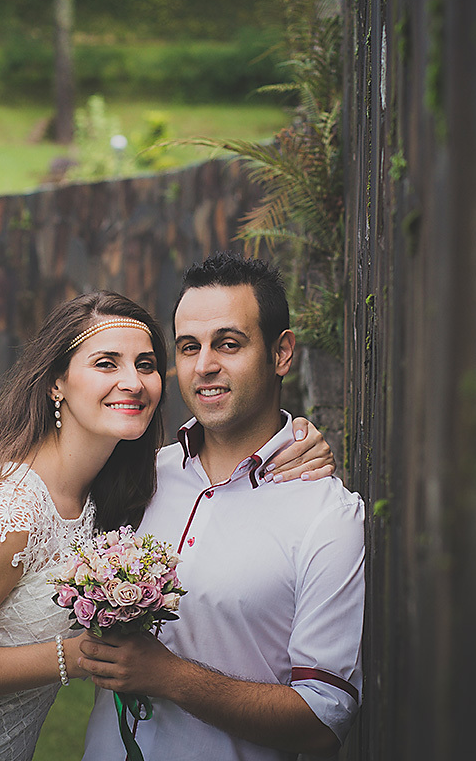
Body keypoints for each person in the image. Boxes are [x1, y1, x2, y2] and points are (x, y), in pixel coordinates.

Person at [0, 290, 331, 760]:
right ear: (57, 383)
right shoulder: (12, 510)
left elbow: (234, 457)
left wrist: (299, 437)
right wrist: (69, 657)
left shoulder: (114, 499)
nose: (132, 381)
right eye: (107, 363)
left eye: (146, 364)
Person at [78, 254, 366, 760]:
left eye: (228, 344)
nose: (205, 365)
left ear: (281, 354)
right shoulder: (135, 477)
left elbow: (324, 719)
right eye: (189, 347)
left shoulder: (326, 516)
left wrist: (169, 676)